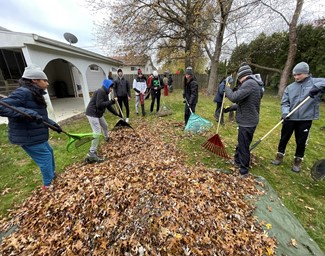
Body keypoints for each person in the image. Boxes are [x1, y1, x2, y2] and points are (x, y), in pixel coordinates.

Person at [0, 64, 62, 190]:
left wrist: (53, 124)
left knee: (49, 152)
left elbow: (38, 116)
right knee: (44, 157)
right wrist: (29, 113)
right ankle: (48, 184)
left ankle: (52, 175)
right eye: (44, 80)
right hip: (27, 135)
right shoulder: (23, 93)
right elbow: (2, 107)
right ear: (34, 80)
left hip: (36, 133)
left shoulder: (35, 93)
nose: (48, 83)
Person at [271, 62, 325, 172]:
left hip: (305, 119)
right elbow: (285, 102)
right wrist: (285, 113)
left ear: (306, 73)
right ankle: (279, 156)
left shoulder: (315, 82)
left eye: (298, 74)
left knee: (301, 141)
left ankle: (297, 160)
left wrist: (316, 87)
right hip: (290, 118)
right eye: (294, 75)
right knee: (284, 138)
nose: (296, 77)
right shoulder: (290, 87)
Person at [224, 63, 263, 177]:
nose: (239, 82)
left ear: (242, 76)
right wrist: (231, 108)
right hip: (247, 120)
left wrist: (226, 87)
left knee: (244, 146)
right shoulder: (252, 84)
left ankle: (244, 171)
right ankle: (237, 161)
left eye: (239, 78)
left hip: (248, 122)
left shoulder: (249, 84)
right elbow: (246, 103)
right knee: (241, 143)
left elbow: (234, 97)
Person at [85, 79, 120, 163]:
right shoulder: (100, 92)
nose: (111, 89)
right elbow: (99, 105)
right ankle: (91, 152)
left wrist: (117, 114)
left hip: (98, 114)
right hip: (92, 114)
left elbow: (108, 106)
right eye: (110, 87)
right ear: (107, 86)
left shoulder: (105, 93)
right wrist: (111, 101)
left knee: (105, 125)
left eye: (112, 88)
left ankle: (106, 138)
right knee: (97, 132)